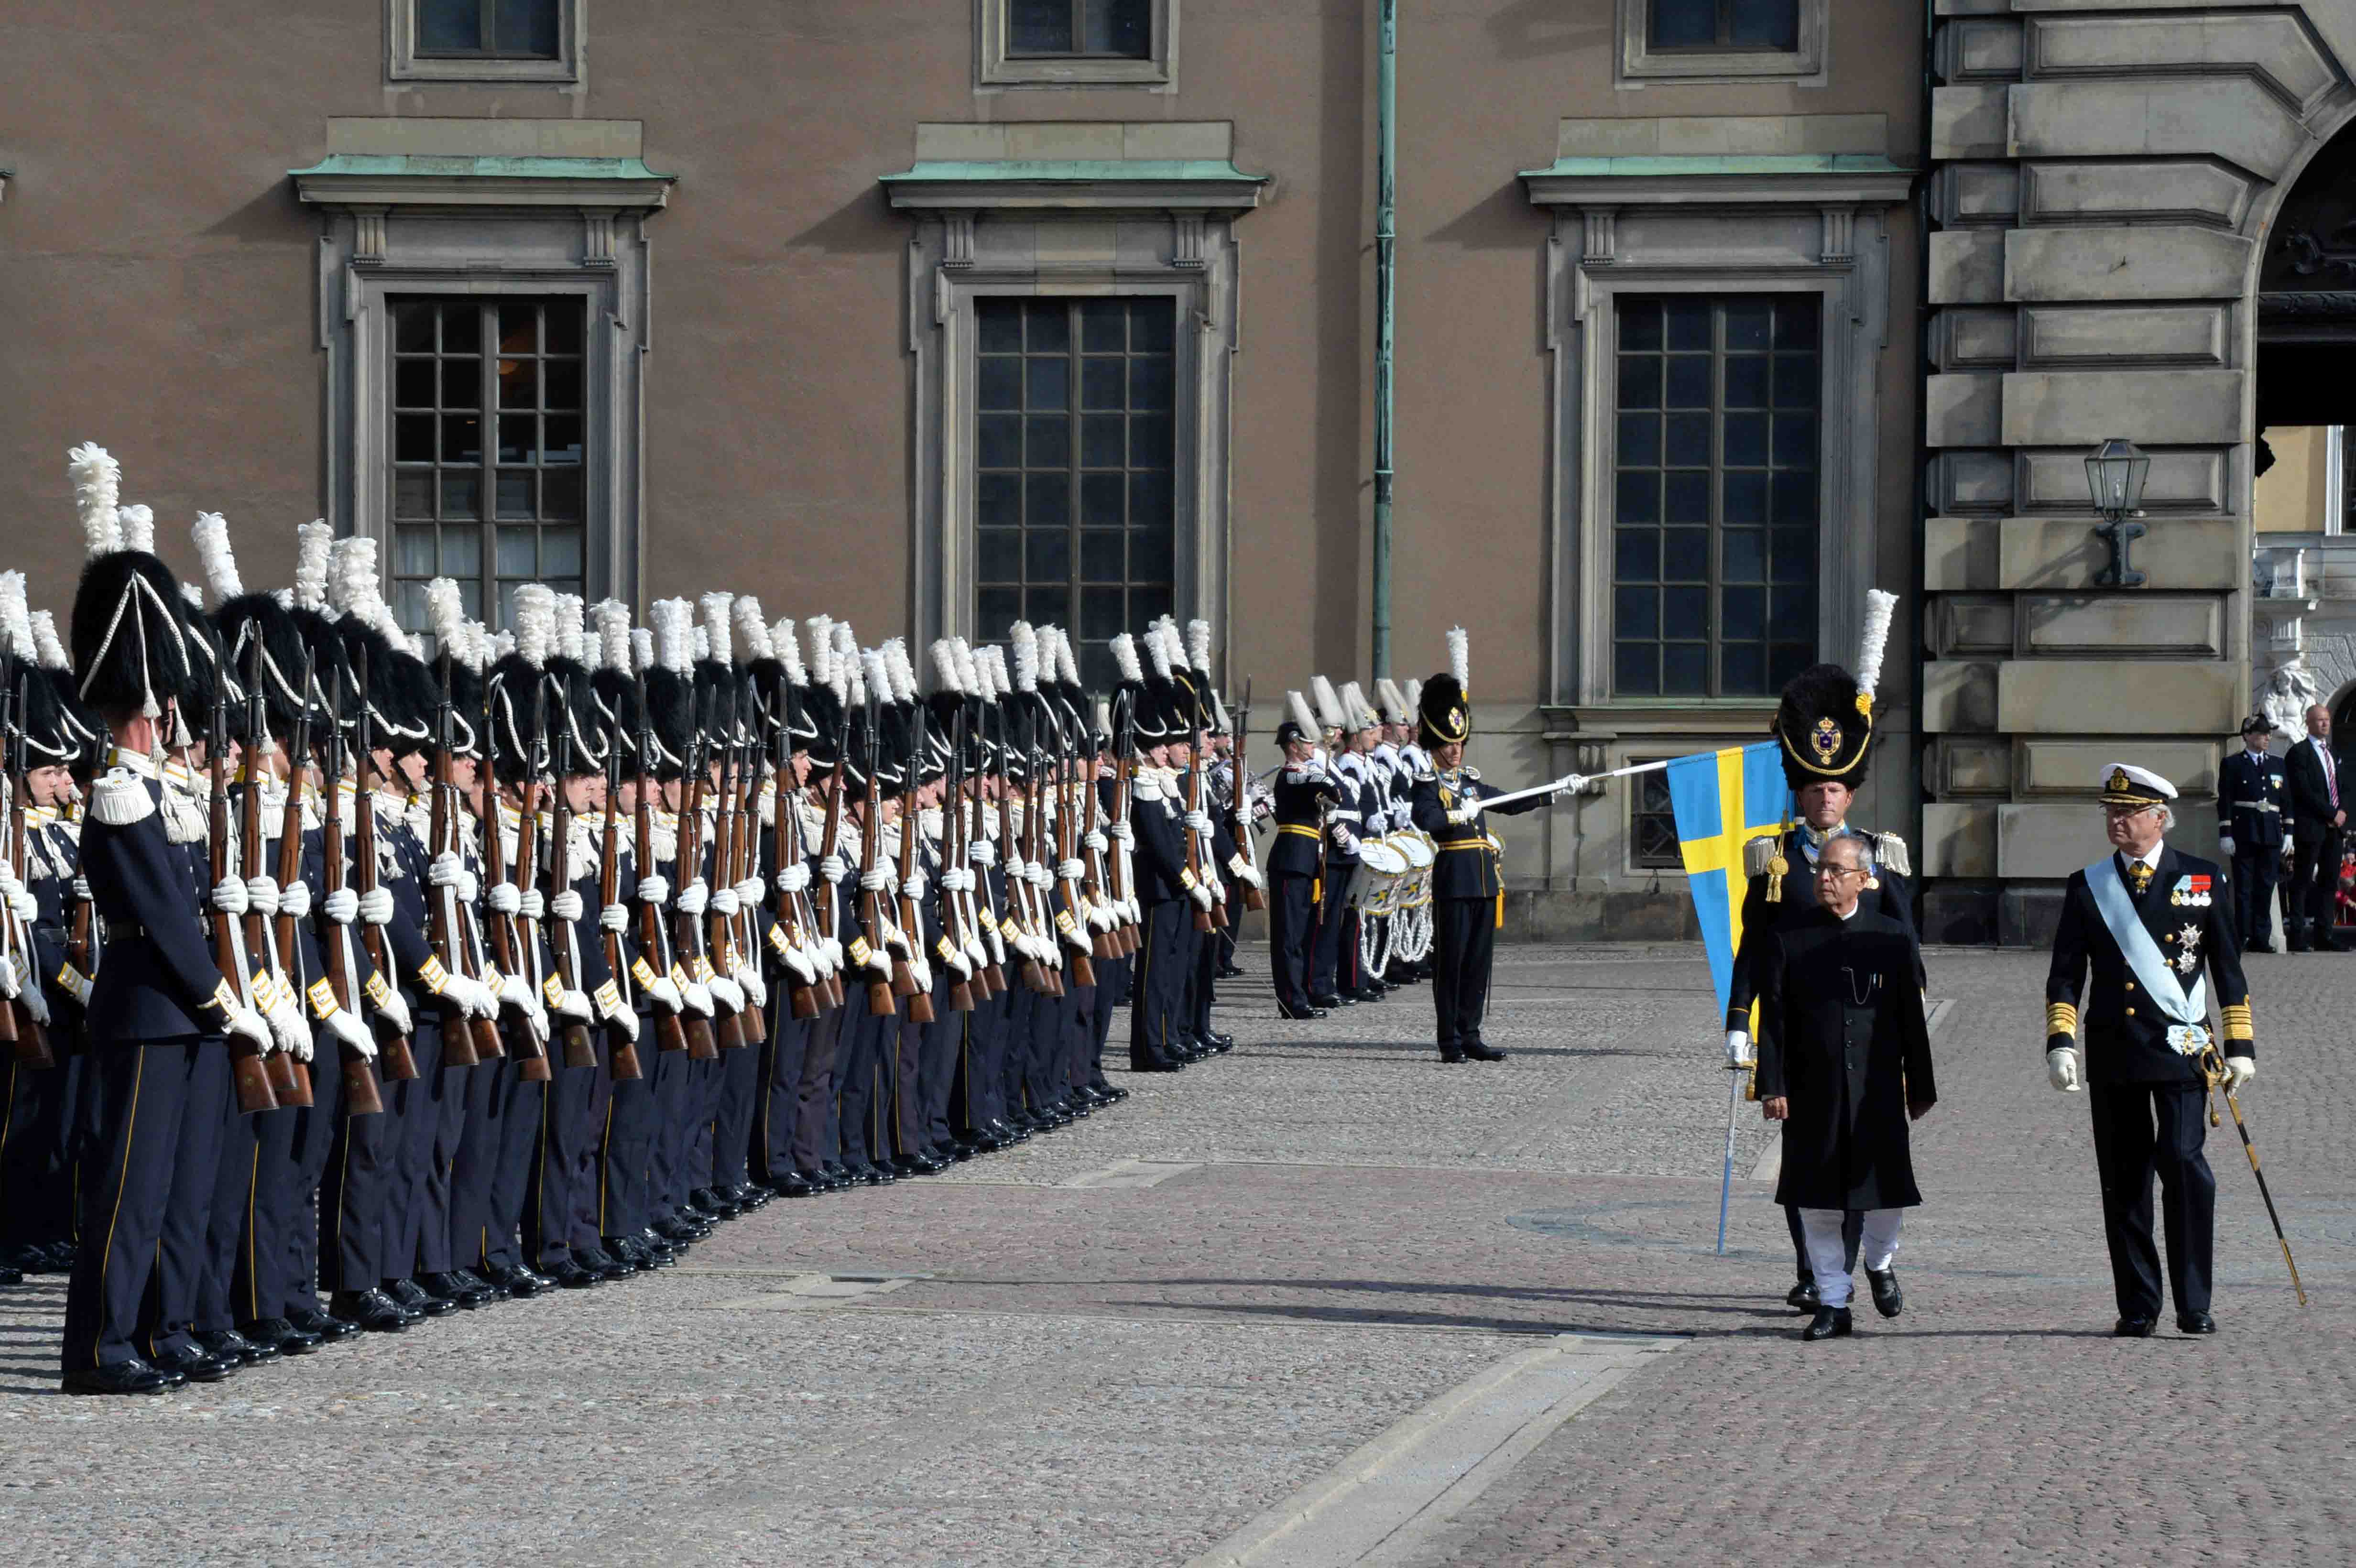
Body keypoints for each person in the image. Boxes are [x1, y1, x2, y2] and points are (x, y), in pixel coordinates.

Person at [1724, 597, 1916, 1313]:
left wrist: (1910, 1027)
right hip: (1798, 1032)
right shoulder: (1770, 862)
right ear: (1799, 792)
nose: (1825, 799)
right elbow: (1755, 947)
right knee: (1804, 1161)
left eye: (1836, 787)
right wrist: (1741, 1021)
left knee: (1862, 1157)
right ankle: (1813, 1270)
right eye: (1814, 788)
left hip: (1864, 1030)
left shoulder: (1881, 858)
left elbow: (1906, 950)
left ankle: (1871, 1260)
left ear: (1850, 791)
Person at [2045, 762, 2255, 1337]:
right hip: (2114, 1049)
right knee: (2123, 1178)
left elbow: (2227, 971)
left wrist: (2239, 1046)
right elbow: (2065, 975)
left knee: (2184, 1165)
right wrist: (2059, 1041)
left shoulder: (2203, 879)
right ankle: (2138, 1301)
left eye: (2127, 812)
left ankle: (2193, 1301)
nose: (2115, 821)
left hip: (2182, 1047)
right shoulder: (2087, 886)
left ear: (2158, 818)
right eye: (2110, 812)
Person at [1755, 835, 1936, 1341]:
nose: (1824, 878)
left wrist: (1918, 1085)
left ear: (1863, 878)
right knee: (1815, 1200)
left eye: (1836, 871)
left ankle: (1879, 1262)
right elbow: (1772, 1021)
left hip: (1876, 1087)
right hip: (1811, 1089)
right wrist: (1771, 1085)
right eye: (1820, 871)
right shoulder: (1788, 936)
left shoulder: (1891, 936)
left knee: (1884, 1193)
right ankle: (1833, 1301)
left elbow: (1909, 1020)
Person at [1407, 629, 1555, 1063]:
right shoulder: (1427, 782)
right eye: (1449, 745)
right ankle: (1449, 1040)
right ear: (1436, 746)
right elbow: (1426, 819)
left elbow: (1507, 801)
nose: (1455, 752)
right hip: (1454, 879)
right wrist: (1456, 815)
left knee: (1477, 964)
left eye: (1459, 744)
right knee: (1450, 963)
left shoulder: (1470, 781)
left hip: (1484, 880)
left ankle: (1471, 1033)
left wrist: (1553, 791)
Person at [1265, 694, 1336, 1020]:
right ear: (1294, 745)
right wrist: (1323, 774)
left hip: (1307, 861)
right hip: (1291, 861)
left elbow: (1335, 795)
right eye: (1308, 743)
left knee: (1304, 934)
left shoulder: (1307, 775)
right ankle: (1291, 1001)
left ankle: (1301, 994)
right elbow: (1323, 787)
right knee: (1289, 937)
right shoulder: (1291, 776)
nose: (1313, 748)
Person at [2217, 714, 2289, 954]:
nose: (2267, 737)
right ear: (2247, 736)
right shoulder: (2233, 764)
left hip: (2270, 833)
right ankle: (2243, 935)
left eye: (2268, 733)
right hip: (2244, 831)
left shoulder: (2278, 764)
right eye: (2261, 733)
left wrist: (2289, 832)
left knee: (2266, 886)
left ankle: (2261, 936)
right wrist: (2225, 833)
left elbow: (2286, 801)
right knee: (2245, 887)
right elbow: (2225, 801)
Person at [2283, 705, 2345, 952]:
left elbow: (2345, 788)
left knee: (2330, 883)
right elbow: (2303, 790)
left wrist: (2343, 815)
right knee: (2302, 882)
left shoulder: (2332, 753)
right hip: (2311, 828)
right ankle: (2298, 936)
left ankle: (2324, 934)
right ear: (2308, 723)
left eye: (2327, 720)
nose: (2325, 724)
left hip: (2335, 830)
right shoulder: (2299, 753)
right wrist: (2331, 813)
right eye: (2319, 720)